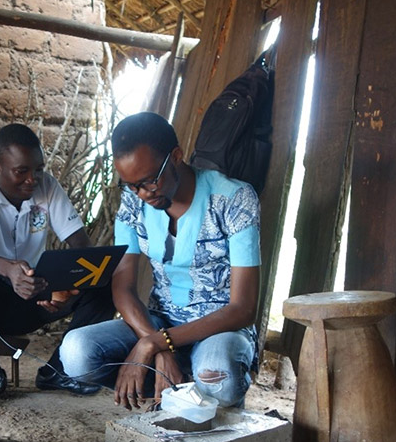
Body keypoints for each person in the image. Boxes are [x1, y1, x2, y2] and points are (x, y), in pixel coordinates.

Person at [59, 112, 261, 410]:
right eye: (131, 185)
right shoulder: (134, 203)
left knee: (219, 376)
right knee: (76, 352)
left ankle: (194, 385)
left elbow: (242, 309)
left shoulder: (234, 199)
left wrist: (153, 344)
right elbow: (123, 288)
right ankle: (174, 385)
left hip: (220, 328)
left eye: (150, 181)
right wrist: (159, 344)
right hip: (160, 320)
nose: (142, 194)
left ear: (176, 157)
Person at [0, 124, 116, 406]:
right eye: (21, 171)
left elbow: (82, 248)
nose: (32, 179)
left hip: (34, 295)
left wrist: (68, 289)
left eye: (39, 169)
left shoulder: (47, 188)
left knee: (106, 283)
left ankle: (58, 371)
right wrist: (6, 268)